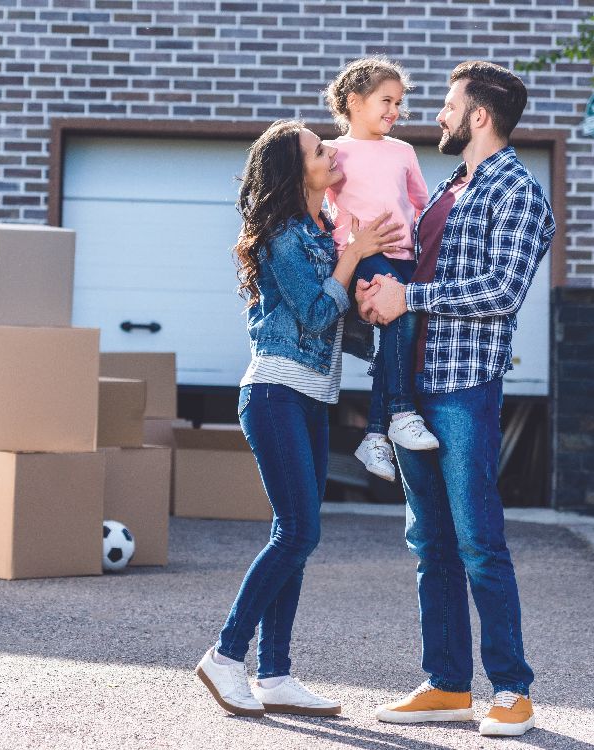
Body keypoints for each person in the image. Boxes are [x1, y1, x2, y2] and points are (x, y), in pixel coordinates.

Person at [357, 61, 555, 737]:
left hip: (462, 388)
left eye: (446, 105)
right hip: (411, 388)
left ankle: (511, 689)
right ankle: (446, 684)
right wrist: (379, 295)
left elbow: (500, 293)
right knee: (429, 543)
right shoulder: (447, 187)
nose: (435, 115)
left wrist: (408, 296)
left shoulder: (518, 192)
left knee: (477, 542)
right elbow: (412, 272)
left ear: (478, 115)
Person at [195, 119, 403, 718]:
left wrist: (376, 299)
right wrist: (355, 257)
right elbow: (314, 314)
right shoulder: (282, 235)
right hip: (275, 393)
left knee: (297, 535)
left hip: (311, 395)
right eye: (319, 149)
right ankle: (227, 655)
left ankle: (276, 673)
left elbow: (338, 323)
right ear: (296, 171)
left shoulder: (320, 231)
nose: (332, 152)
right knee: (297, 532)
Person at [323, 57, 438, 484]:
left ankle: (375, 434)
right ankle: (402, 413)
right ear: (354, 102)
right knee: (399, 325)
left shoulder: (403, 152)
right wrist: (344, 253)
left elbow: (420, 205)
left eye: (399, 102)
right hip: (363, 254)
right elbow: (319, 203)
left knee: (399, 334)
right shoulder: (334, 152)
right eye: (385, 100)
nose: (394, 110)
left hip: (403, 256)